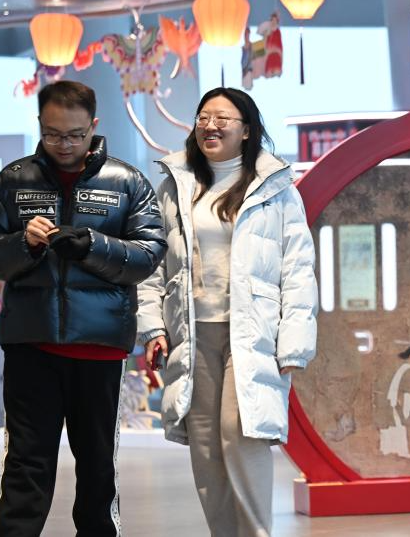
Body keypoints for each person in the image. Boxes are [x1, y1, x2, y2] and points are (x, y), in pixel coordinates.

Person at [0, 80, 167, 536]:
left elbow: (150, 253)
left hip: (100, 349)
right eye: (54, 134)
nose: (65, 145)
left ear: (93, 125)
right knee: (25, 467)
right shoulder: (13, 181)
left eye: (76, 134)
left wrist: (93, 246)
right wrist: (23, 244)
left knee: (97, 469)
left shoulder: (127, 182)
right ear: (40, 124)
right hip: (31, 346)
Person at [136, 87, 317, 537]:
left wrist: (294, 342)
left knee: (242, 434)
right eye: (203, 118)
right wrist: (153, 328)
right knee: (205, 445)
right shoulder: (175, 185)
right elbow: (154, 266)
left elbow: (298, 269)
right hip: (193, 333)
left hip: (252, 332)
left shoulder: (276, 189)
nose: (210, 126)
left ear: (247, 130)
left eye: (222, 119)